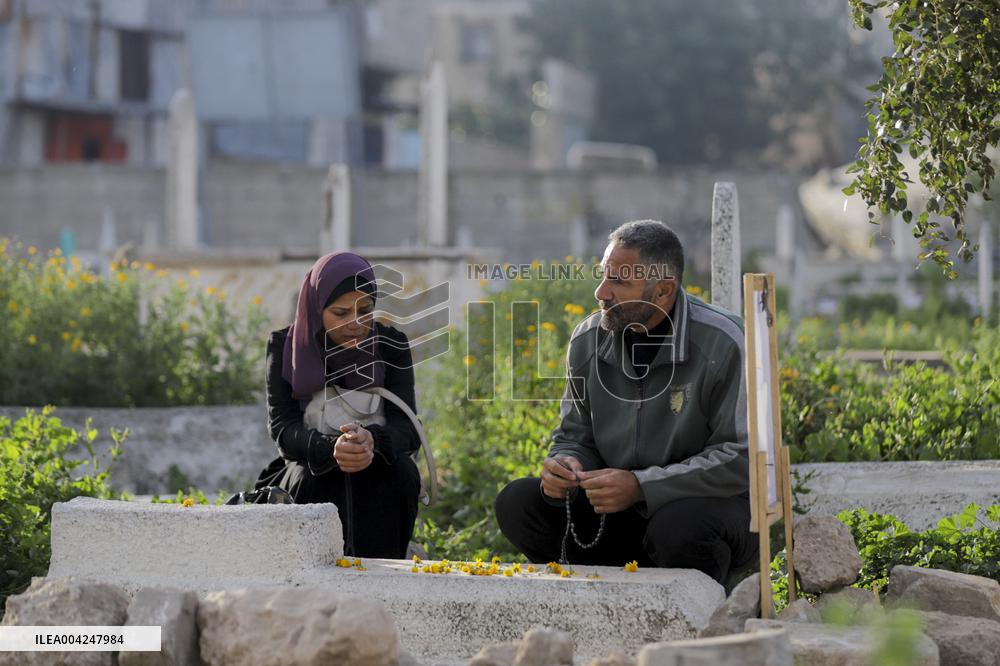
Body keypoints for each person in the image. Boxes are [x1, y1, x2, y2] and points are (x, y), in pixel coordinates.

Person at [495, 220, 755, 586]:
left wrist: (642, 485)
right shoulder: (587, 339)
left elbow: (741, 457)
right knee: (519, 502)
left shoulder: (724, 341)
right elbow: (574, 435)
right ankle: (598, 594)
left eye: (618, 281)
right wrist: (566, 464)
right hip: (615, 513)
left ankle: (704, 616)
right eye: (603, 276)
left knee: (678, 528)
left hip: (708, 508)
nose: (601, 292)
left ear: (663, 291)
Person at [256, 251, 421, 558]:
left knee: (401, 472)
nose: (356, 324)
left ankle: (387, 574)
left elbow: (408, 427)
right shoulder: (286, 348)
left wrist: (372, 441)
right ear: (317, 309)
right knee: (310, 477)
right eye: (341, 313)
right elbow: (283, 429)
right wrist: (329, 448)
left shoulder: (390, 345)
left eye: (365, 310)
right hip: (310, 461)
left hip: (376, 461)